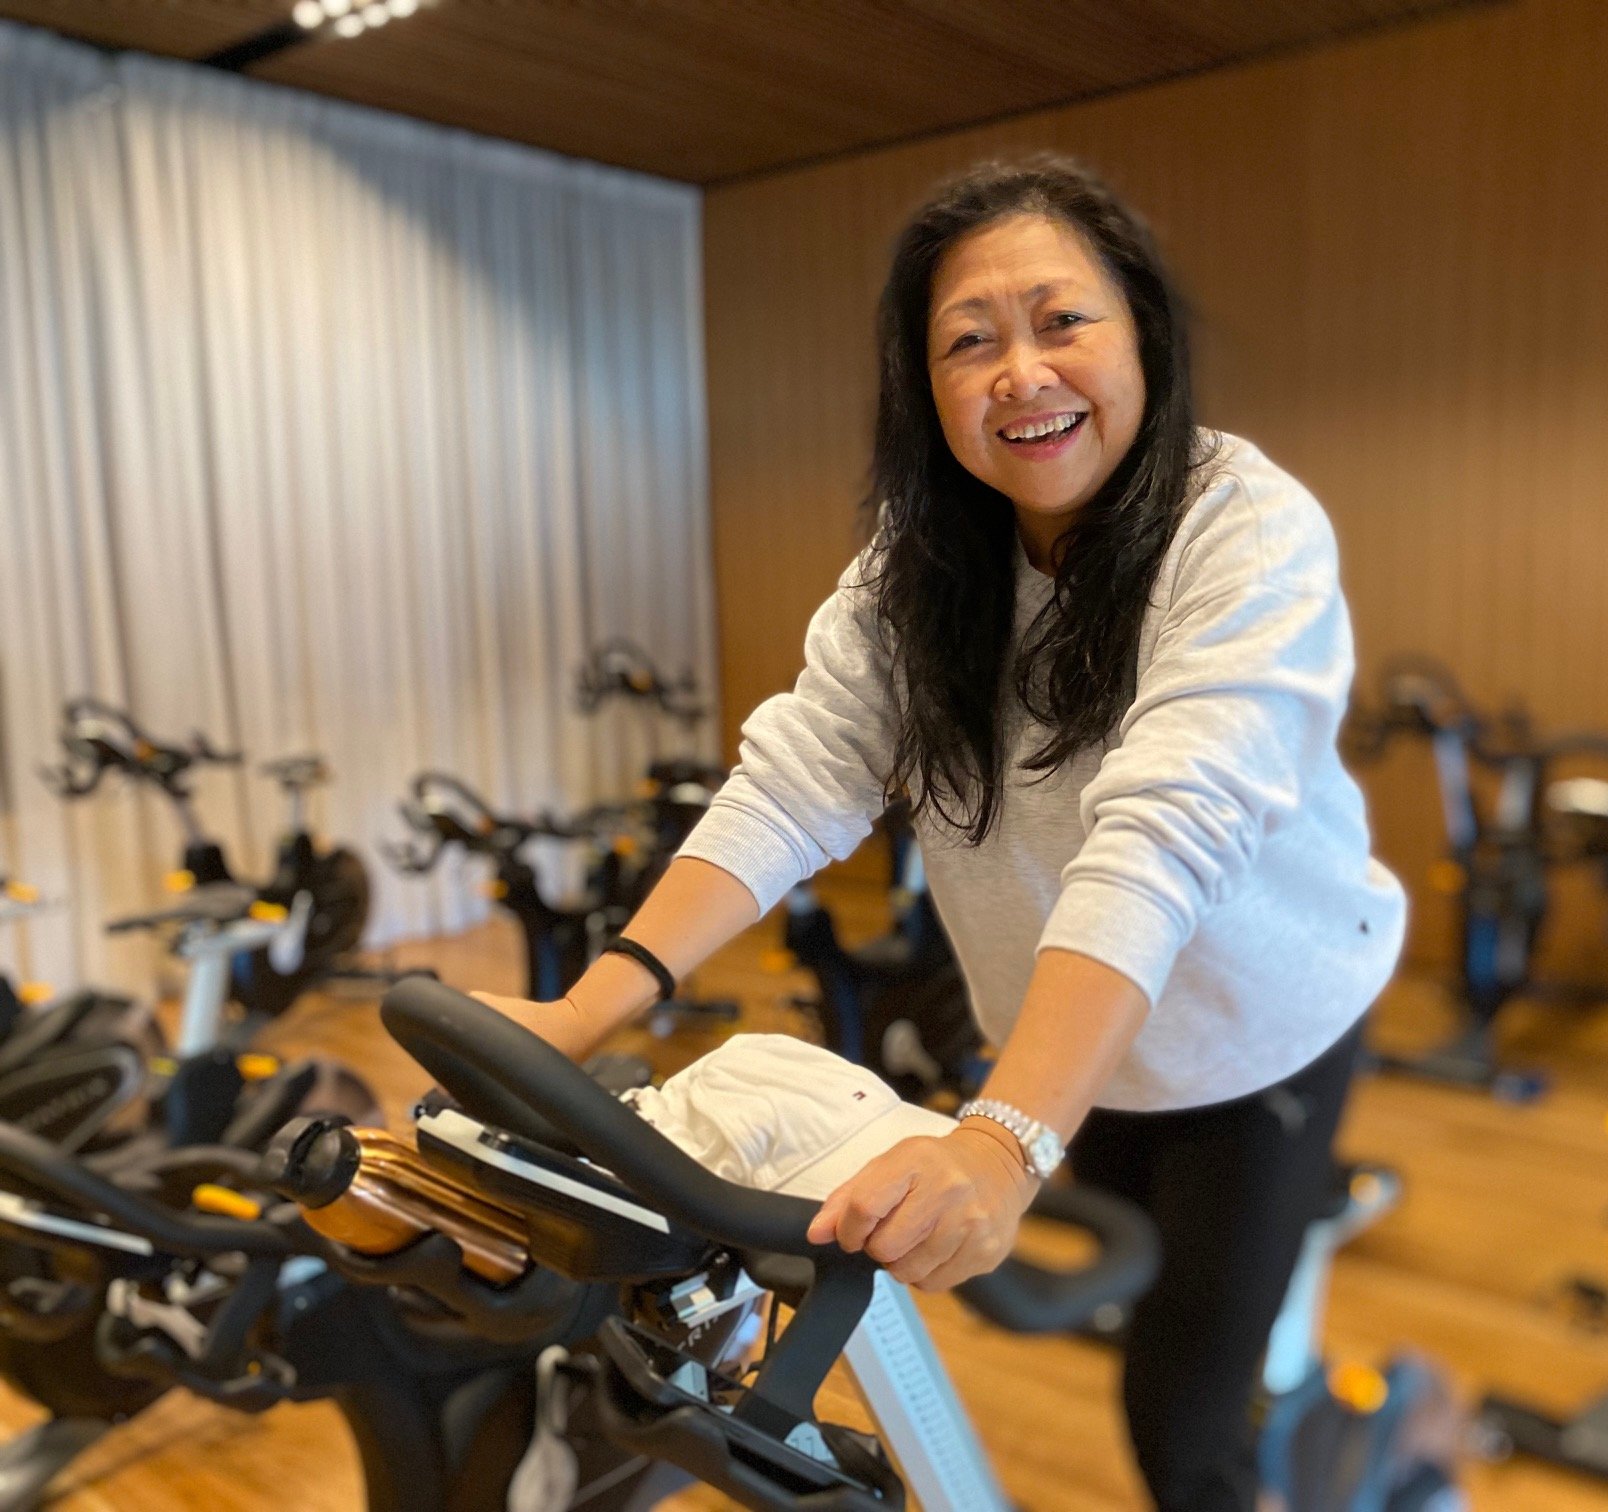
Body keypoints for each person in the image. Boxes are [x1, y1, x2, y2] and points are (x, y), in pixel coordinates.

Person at [477, 154, 1406, 1512]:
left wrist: (1002, 1144)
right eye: (970, 342)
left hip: (1256, 1031)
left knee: (1179, 1421)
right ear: (929, 390)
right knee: (1130, 1291)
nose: (1020, 371)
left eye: (1062, 321)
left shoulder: (1242, 530)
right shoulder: (917, 569)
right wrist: (587, 1008)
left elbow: (1163, 832)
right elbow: (797, 780)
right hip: (1086, 1041)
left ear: (1141, 331)